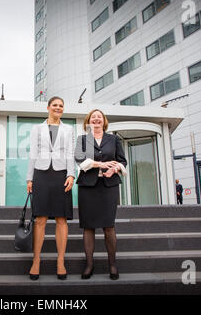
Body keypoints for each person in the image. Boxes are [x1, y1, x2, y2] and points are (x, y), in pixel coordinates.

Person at [26, 96, 75, 281]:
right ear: (48, 107)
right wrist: (29, 178)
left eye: (61, 106)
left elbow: (70, 153)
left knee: (62, 219)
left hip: (61, 174)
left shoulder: (68, 129)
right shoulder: (37, 129)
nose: (58, 108)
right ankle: (36, 261)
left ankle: (60, 262)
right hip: (41, 173)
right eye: (55, 105)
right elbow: (32, 153)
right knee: (40, 219)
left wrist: (71, 174)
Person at [74, 109, 127, 280]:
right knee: (88, 226)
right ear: (88, 121)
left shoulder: (114, 139)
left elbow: (122, 161)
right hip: (87, 187)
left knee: (109, 226)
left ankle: (113, 264)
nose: (96, 118)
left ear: (104, 121)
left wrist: (114, 169)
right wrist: (100, 164)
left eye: (99, 117)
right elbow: (79, 161)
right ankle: (89, 265)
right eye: (93, 117)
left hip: (108, 187)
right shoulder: (83, 140)